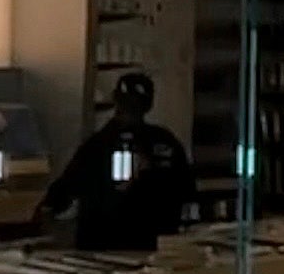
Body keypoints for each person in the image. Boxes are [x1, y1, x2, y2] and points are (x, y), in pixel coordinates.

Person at [38, 68, 195, 250]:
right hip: (152, 246)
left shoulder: (99, 144)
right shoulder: (165, 142)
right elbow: (187, 193)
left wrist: (47, 214)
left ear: (115, 100)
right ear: (150, 104)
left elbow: (67, 188)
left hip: (106, 243)